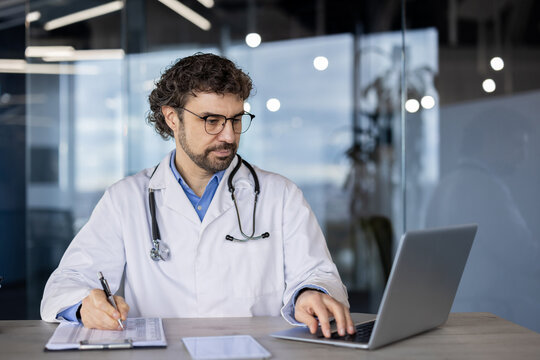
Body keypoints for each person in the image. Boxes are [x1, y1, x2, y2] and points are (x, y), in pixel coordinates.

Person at [40, 53, 355, 338]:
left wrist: (310, 293)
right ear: (172, 119)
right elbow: (67, 282)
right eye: (212, 121)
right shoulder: (125, 199)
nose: (229, 136)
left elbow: (318, 273)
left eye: (235, 119)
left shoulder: (281, 195)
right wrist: (84, 306)